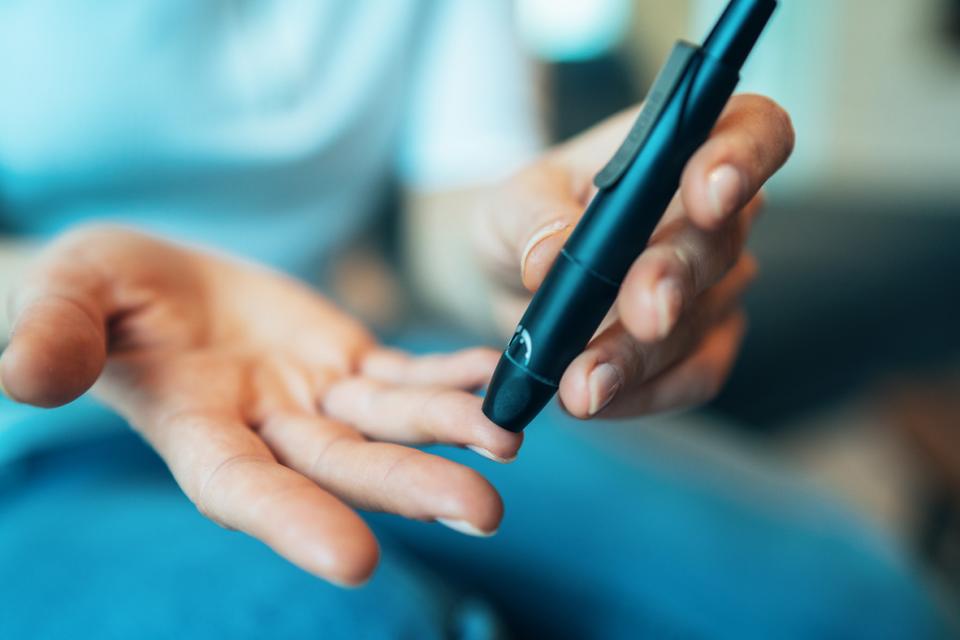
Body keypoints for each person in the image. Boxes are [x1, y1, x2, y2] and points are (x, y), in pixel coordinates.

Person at [0, 1, 948, 638]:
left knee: (854, 606)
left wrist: (532, 234)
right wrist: (39, 286)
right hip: (32, 409)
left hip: (343, 362)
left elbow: (454, 202)